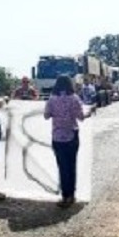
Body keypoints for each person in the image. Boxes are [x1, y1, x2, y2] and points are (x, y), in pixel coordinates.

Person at [44, 75, 95, 208]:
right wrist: (90, 111)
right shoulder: (74, 99)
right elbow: (81, 117)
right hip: (71, 136)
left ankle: (64, 196)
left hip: (57, 137)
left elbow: (46, 116)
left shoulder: (52, 99)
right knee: (71, 166)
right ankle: (71, 196)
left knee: (62, 167)